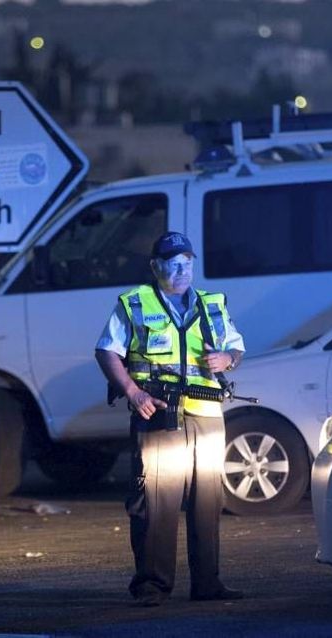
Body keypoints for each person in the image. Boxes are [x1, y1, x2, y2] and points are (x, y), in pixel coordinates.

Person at [94, 231, 246, 607]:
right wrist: (133, 392)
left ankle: (207, 583)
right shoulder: (135, 303)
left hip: (207, 413)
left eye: (188, 263)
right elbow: (106, 350)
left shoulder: (212, 304)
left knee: (208, 502)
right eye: (174, 263)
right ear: (156, 267)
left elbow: (236, 347)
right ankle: (152, 585)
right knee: (156, 500)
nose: (182, 270)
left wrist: (227, 358)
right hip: (159, 411)